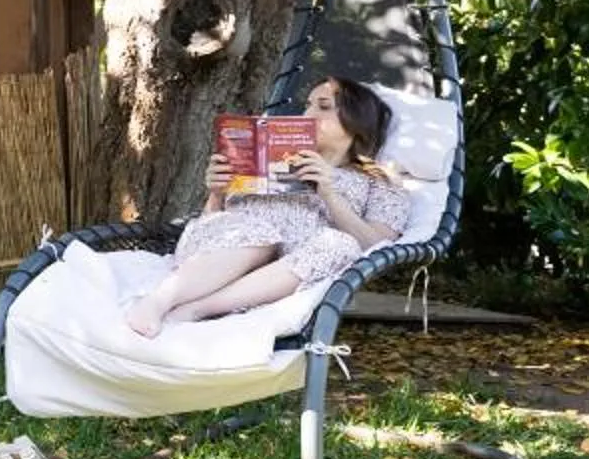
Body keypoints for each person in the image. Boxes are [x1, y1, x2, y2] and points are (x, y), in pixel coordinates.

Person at [123, 77, 415, 337]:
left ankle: (199, 308)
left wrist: (329, 193)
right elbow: (211, 224)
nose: (308, 113)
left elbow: (377, 246)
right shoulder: (270, 156)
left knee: (341, 244)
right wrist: (216, 193)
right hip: (223, 250)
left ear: (356, 120)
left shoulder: (379, 181)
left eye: (323, 106)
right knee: (259, 230)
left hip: (286, 270)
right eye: (308, 104)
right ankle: (158, 300)